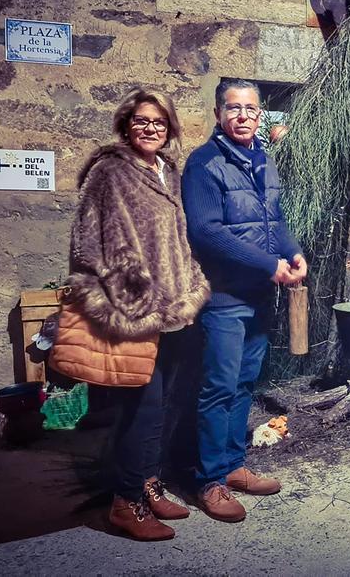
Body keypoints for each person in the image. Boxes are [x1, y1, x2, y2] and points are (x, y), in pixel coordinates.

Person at [64, 89, 211, 541]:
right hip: (135, 311)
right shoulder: (109, 171)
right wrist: (136, 300)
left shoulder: (167, 170)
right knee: (140, 410)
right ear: (126, 123)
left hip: (174, 310)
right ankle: (124, 502)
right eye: (142, 120)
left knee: (165, 405)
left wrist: (189, 286)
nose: (151, 129)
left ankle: (148, 484)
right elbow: (89, 243)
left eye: (159, 122)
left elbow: (179, 238)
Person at [182, 78, 307, 523]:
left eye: (251, 109)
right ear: (218, 114)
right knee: (218, 387)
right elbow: (207, 232)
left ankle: (234, 467)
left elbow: (277, 221)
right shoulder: (204, 164)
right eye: (233, 108)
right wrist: (268, 265)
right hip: (224, 295)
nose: (243, 116)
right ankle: (210, 482)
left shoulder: (263, 161)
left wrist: (292, 251)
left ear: (260, 115)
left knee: (243, 384)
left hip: (258, 295)